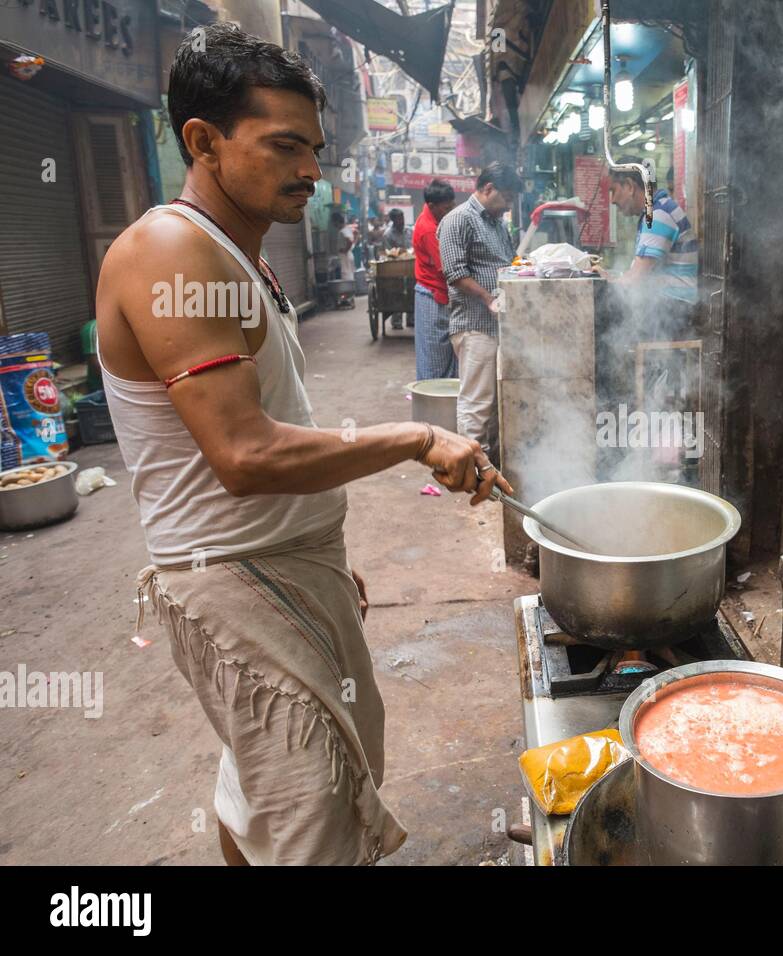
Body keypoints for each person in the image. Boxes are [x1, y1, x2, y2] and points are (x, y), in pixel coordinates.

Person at [94, 22, 512, 866]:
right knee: (312, 810)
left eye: (314, 148)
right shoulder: (170, 251)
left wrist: (315, 548)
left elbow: (271, 420)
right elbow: (243, 456)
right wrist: (416, 437)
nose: (312, 172)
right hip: (232, 578)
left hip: (278, 563)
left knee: (265, 789)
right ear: (203, 142)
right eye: (285, 146)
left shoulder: (237, 255)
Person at [438, 161, 521, 464]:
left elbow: (508, 261)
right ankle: (473, 470)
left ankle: (491, 465)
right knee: (476, 402)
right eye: (507, 197)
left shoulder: (497, 222)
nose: (509, 205)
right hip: (474, 325)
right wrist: (488, 298)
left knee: (495, 401)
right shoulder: (458, 220)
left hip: (497, 324)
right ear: (488, 188)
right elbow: (454, 272)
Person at [607, 158, 698, 305]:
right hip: (668, 307)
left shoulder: (658, 214)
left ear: (630, 186)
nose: (612, 200)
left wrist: (605, 285)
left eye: (614, 190)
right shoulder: (656, 210)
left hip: (677, 309)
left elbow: (636, 277)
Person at [413, 179, 457, 380]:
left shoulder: (435, 219)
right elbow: (447, 268)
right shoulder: (429, 229)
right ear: (432, 206)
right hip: (432, 295)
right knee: (435, 356)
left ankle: (442, 402)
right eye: (447, 208)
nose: (450, 211)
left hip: (434, 292)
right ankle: (433, 404)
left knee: (442, 353)